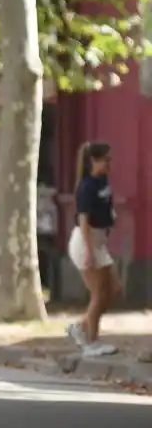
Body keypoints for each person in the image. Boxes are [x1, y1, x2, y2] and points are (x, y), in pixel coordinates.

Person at [66, 141, 120, 358]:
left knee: (114, 288)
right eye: (106, 160)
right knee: (99, 293)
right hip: (85, 241)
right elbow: (84, 220)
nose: (110, 163)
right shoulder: (86, 186)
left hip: (99, 241)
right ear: (93, 161)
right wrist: (89, 251)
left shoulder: (102, 180)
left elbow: (106, 205)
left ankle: (80, 327)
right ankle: (91, 342)